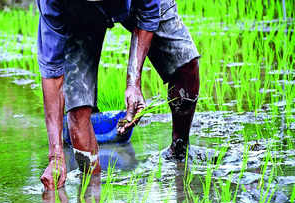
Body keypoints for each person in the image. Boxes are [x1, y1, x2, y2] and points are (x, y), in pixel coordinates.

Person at [37, 0, 200, 191]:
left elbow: (149, 12)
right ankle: (91, 191)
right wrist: (56, 156)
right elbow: (52, 74)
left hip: (140, 3)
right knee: (78, 109)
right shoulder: (53, 2)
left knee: (184, 63)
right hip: (77, 16)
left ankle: (179, 150)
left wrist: (133, 82)